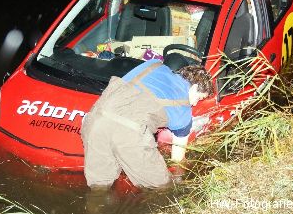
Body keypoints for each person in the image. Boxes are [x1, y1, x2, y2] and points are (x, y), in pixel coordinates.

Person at [80, 58, 214, 189]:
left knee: (99, 187)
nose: (195, 103)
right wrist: (181, 177)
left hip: (95, 120)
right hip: (127, 134)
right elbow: (178, 159)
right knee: (162, 187)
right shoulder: (183, 110)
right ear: (195, 87)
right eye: (199, 97)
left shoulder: (153, 64)